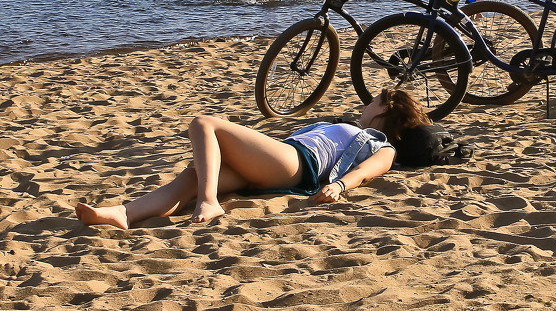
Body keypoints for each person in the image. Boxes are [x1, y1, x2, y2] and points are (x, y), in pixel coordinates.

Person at [74, 87, 428, 229]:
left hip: (296, 162)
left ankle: (211, 202)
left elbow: (369, 170)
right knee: (194, 175)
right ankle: (123, 213)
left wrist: (338, 185)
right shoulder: (349, 125)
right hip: (277, 160)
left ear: (385, 106)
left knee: (205, 123)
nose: (367, 103)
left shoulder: (381, 143)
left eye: (374, 100)